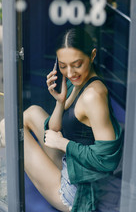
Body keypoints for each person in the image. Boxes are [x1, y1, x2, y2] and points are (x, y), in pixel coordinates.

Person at [0, 27, 123, 212]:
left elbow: (106, 160)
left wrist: (63, 143)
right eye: (63, 66)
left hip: (78, 192)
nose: (70, 73)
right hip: (74, 166)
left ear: (93, 55)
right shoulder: (78, 82)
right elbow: (54, 129)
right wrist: (60, 101)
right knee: (32, 112)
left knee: (7, 128)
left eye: (77, 64)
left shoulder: (93, 96)